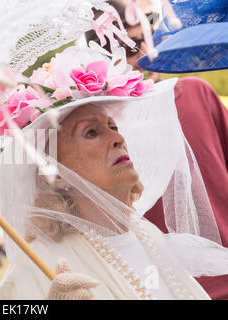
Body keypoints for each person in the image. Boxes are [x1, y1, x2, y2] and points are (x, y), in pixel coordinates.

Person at [0, 41, 228, 299]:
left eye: (113, 127)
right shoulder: (37, 269)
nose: (117, 139)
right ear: (56, 173)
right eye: (91, 132)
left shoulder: (147, 234)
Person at [86, 0, 228, 300]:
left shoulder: (196, 92)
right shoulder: (101, 134)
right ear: (106, 58)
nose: (147, 52)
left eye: (150, 34)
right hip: (171, 291)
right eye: (132, 44)